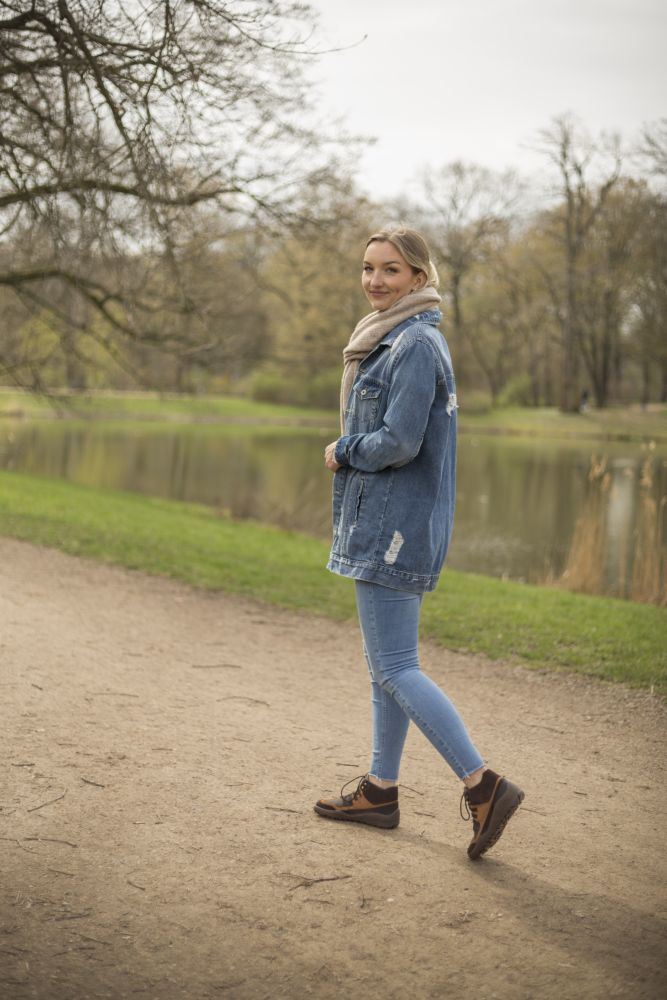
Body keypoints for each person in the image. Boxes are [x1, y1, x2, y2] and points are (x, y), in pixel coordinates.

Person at [314, 227, 524, 860]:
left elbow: (400, 441)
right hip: (390, 521)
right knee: (388, 667)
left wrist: (343, 449)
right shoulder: (392, 338)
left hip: (393, 526)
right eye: (369, 268)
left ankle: (484, 785)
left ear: (419, 278)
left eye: (392, 271)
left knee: (395, 667)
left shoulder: (412, 344)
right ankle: (380, 790)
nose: (376, 280)